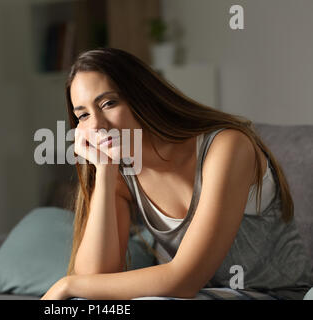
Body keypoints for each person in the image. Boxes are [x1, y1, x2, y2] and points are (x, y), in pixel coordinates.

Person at [41, 47, 313, 300]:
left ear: (142, 97)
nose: (98, 124)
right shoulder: (121, 170)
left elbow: (184, 280)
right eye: (83, 116)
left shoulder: (227, 146)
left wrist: (67, 284)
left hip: (277, 294)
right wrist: (104, 170)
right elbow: (94, 278)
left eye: (109, 103)